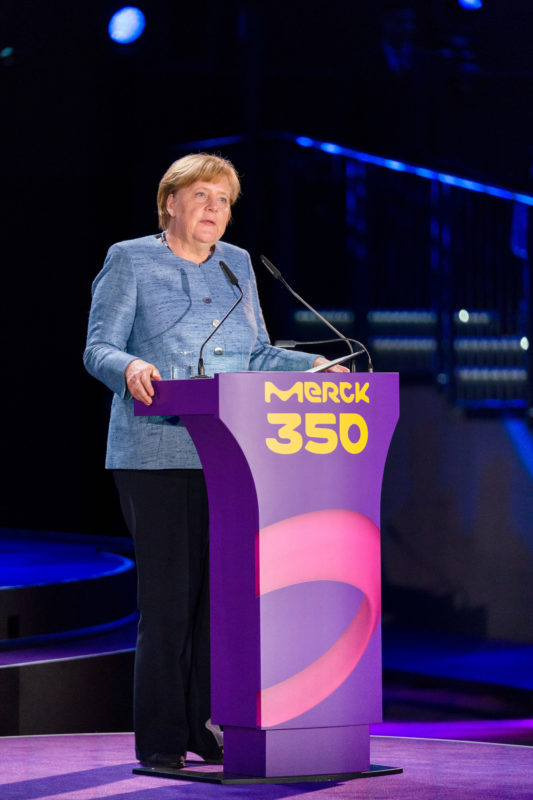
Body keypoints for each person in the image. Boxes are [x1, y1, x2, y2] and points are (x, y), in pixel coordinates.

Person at [84, 152, 346, 770]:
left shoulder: (236, 266)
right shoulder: (130, 259)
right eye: (201, 196)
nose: (214, 210)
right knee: (171, 602)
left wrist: (309, 366)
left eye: (224, 201)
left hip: (233, 454)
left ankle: (206, 727)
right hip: (157, 453)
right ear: (169, 202)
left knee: (218, 602)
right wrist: (131, 368)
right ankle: (160, 741)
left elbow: (254, 352)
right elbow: (98, 347)